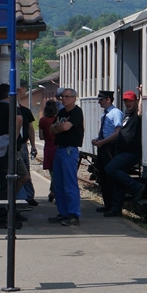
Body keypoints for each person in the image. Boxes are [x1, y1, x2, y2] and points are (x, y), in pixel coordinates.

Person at [101, 91, 144, 216]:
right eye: (126, 101)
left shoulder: (136, 115)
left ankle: (136, 187)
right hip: (121, 151)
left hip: (131, 152)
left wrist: (141, 94)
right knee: (117, 181)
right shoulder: (127, 115)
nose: (128, 103)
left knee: (110, 168)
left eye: (130, 101)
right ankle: (116, 209)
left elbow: (141, 111)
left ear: (136, 101)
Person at [50, 88, 85, 225]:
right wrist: (59, 127)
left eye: (67, 96)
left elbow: (64, 128)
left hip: (70, 150)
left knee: (70, 183)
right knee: (58, 184)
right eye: (62, 96)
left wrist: (59, 126)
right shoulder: (62, 112)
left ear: (74, 98)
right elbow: (51, 129)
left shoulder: (76, 112)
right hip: (59, 149)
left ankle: (73, 215)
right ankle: (63, 213)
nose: (64, 99)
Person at [89, 90, 124, 207]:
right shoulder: (105, 114)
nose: (99, 102)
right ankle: (107, 204)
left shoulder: (116, 113)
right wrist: (98, 139)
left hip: (110, 147)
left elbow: (118, 132)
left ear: (108, 100)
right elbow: (106, 131)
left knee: (110, 176)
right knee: (103, 176)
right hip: (103, 147)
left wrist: (102, 142)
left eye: (101, 100)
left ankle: (113, 205)